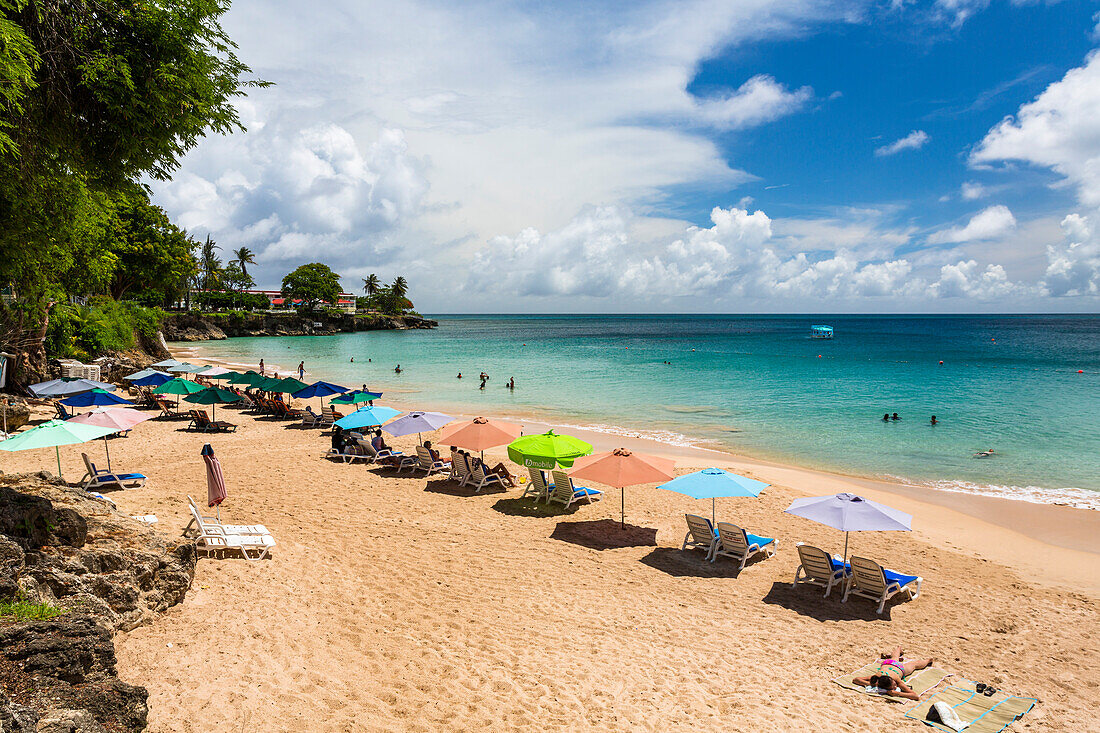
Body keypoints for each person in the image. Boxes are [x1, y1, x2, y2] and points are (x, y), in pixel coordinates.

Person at [852, 646, 934, 701]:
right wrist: (875, 685)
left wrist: (898, 693)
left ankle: (929, 660)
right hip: (888, 663)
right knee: (900, 659)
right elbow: (856, 679)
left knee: (914, 664)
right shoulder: (878, 677)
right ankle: (899, 648)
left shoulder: (896, 680)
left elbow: (916, 696)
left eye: (894, 684)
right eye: (894, 686)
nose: (895, 686)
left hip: (897, 667)